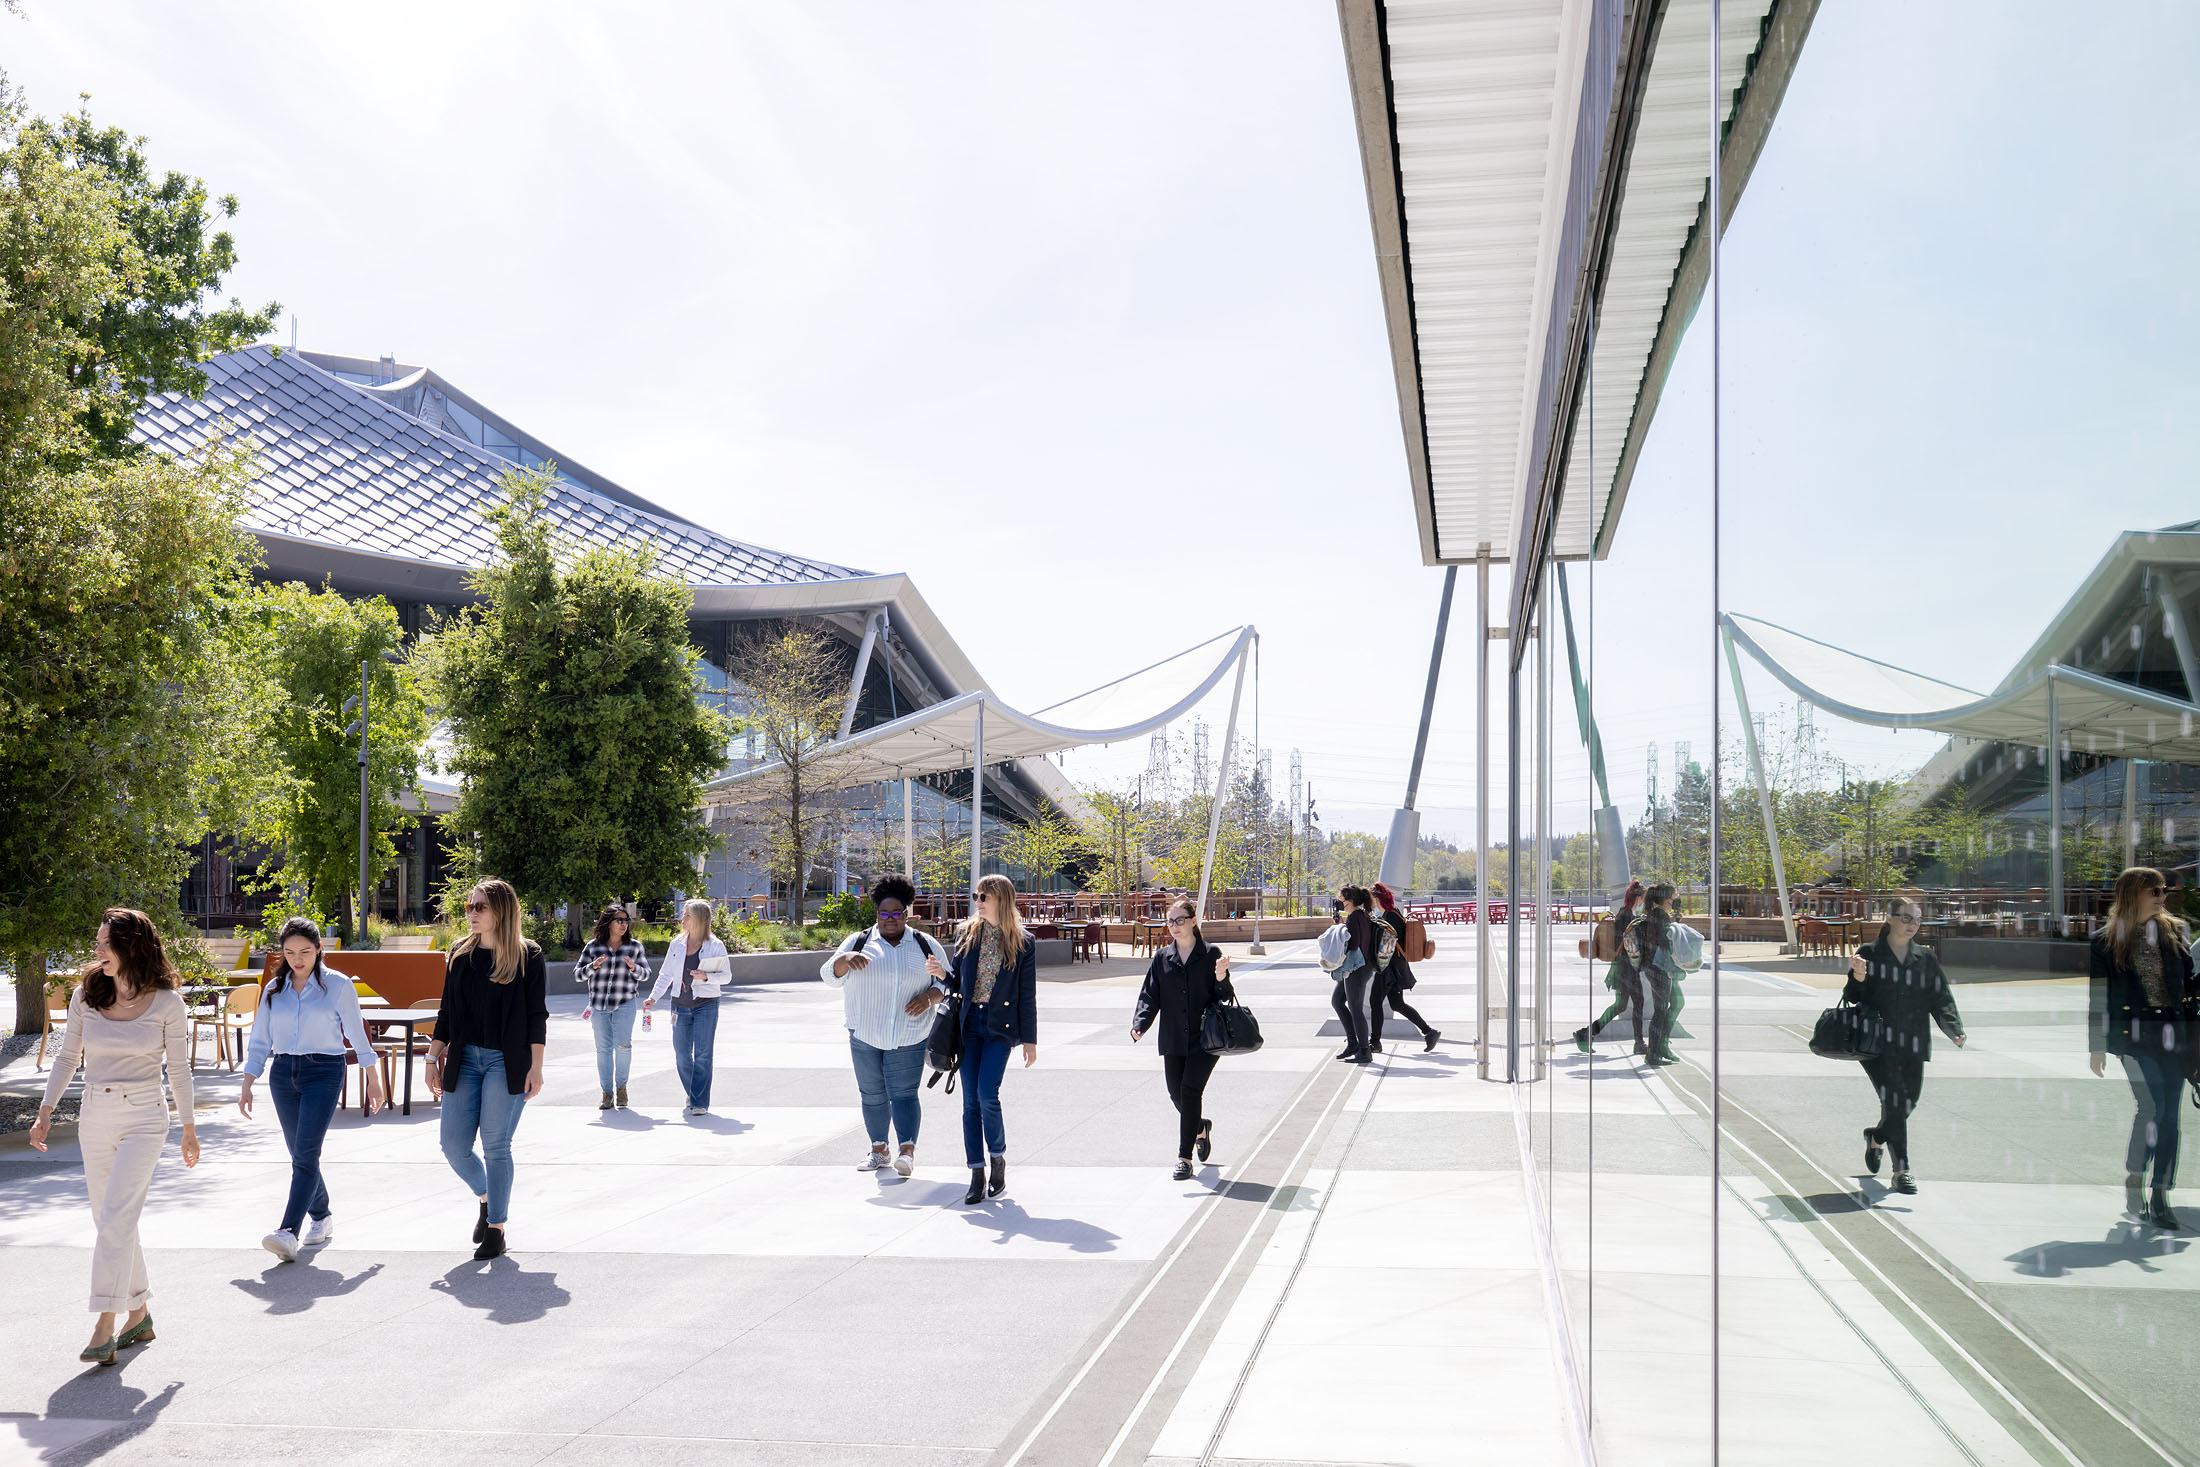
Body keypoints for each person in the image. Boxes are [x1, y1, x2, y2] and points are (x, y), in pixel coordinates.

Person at [27, 908, 201, 1365]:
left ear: (132, 947)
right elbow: (67, 1057)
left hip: (145, 1116)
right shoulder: (88, 993)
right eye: (98, 941)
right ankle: (139, 1311)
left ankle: (105, 1322)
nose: (97, 949)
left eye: (106, 942)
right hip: (94, 1114)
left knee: (118, 1219)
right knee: (111, 1222)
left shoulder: (168, 1003)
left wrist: (188, 1127)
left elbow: (179, 1070)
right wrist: (45, 1111)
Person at [238, 916, 384, 1262]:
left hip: (324, 1071)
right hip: (283, 1073)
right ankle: (321, 1215)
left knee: (305, 1154)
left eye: (305, 951)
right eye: (289, 953)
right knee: (301, 1155)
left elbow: (357, 1033)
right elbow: (260, 1039)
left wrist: (373, 1078)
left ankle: (288, 1231)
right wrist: (247, 1083)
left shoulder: (338, 986)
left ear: (319, 949)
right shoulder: (274, 990)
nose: (297, 959)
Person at [426, 879, 548, 1260]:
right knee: (453, 1146)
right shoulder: (460, 954)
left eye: (480, 907)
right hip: (464, 1060)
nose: (472, 913)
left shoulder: (528, 955)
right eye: (469, 907)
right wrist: (432, 1057)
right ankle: (486, 1196)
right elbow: (447, 1011)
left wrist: (537, 1068)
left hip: (506, 1062)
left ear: (501, 910)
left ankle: (496, 1227)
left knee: (496, 1145)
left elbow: (535, 1017)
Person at [821, 874, 950, 1177]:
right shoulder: (859, 942)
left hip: (910, 1034)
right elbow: (829, 975)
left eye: (896, 913)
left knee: (904, 1094)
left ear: (907, 913)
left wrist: (930, 996)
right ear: (876, 913)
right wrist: (844, 960)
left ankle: (907, 1152)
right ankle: (879, 1149)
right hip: (865, 1034)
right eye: (884, 913)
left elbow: (949, 980)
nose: (890, 919)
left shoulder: (923, 944)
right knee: (872, 1094)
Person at [2089, 867, 2194, 1230]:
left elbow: (2190, 983)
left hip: (2174, 1034)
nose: (2161, 896)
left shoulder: (2176, 931)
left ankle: (2161, 1194)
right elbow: (2099, 996)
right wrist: (2097, 1045)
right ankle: (2136, 1175)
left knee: (2170, 1118)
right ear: (2132, 893)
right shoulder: (2106, 940)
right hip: (2133, 1037)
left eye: (2163, 889)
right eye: (2154, 890)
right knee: (2153, 1108)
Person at [1848, 897, 1965, 1197]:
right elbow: (1852, 995)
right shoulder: (1870, 953)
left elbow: (1940, 997)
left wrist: (1953, 1029)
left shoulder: (1925, 957)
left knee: (1908, 1101)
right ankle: (1902, 1170)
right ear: (1889, 918)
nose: (1913, 924)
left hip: (1914, 1041)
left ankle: (1876, 1138)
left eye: (1917, 919)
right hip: (1878, 1042)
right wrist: (1858, 976)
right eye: (1906, 918)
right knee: (1896, 1103)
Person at [934, 872, 1037, 1205]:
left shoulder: (1023, 941)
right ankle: (976, 1173)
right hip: (969, 1026)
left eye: (984, 897)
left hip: (1000, 1028)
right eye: (976, 896)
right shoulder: (967, 933)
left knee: (986, 1094)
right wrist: (941, 974)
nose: (977, 902)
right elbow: (956, 983)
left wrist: (1030, 1040)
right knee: (969, 1103)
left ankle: (997, 1158)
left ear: (1001, 900)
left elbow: (1027, 995)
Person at [1132, 897, 1235, 1179]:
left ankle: (1184, 1157)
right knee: (1176, 1094)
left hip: (1205, 1039)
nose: (1174, 926)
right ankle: (1200, 1127)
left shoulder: (1210, 953)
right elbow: (1149, 995)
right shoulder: (1162, 958)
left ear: (1192, 921)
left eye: (1180, 920)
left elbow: (1224, 995)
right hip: (1174, 1037)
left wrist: (1221, 975)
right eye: (1170, 921)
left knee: (1190, 1091)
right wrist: (1140, 1024)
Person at [645, 898, 730, 1116]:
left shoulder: (715, 945)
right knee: (682, 1055)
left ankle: (699, 1101)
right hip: (679, 1006)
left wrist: (706, 976)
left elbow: (727, 976)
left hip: (706, 1005)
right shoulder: (676, 944)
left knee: (702, 1054)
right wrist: (653, 998)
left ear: (699, 919)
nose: (682, 918)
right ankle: (694, 1092)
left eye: (687, 915)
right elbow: (665, 975)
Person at [575, 903, 649, 1110]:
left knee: (623, 1047)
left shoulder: (634, 947)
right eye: (619, 920)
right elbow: (578, 975)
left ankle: (622, 1089)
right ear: (608, 922)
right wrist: (593, 966)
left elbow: (646, 974)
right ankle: (606, 1093)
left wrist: (634, 968)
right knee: (603, 1050)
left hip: (624, 1004)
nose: (624, 924)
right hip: (598, 1007)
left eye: (626, 921)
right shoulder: (593, 947)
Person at [1574, 880, 1646, 1054]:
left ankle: (1586, 1033)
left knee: (1621, 1005)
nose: (1644, 902)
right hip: (1627, 968)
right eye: (1643, 898)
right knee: (1637, 1002)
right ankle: (1639, 1043)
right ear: (1638, 898)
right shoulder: (1629, 917)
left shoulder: (1624, 913)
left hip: (1621, 968)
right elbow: (1630, 945)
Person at [1368, 882, 1440, 1053]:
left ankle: (1375, 1042)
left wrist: (1374, 961)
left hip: (1389, 968)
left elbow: (1388, 945)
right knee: (1397, 1004)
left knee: (1375, 1002)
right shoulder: (1391, 914)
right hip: (1395, 967)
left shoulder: (1390, 916)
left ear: (1376, 898)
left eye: (1371, 898)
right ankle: (1429, 1032)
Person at [1623, 884, 1682, 1066]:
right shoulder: (1660, 916)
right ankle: (1653, 1053)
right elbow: (1664, 941)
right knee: (1660, 1010)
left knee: (1671, 1005)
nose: (1674, 901)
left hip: (1653, 967)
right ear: (1665, 899)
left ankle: (1658, 1048)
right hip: (1659, 968)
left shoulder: (1653, 914)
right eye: (1673, 898)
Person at [1331, 886, 1379, 1064]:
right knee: (1337, 1001)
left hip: (1357, 969)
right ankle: (1353, 1043)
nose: (1340, 904)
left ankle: (1364, 1051)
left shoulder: (1355, 918)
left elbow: (1353, 945)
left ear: (1349, 902)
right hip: (1358, 968)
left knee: (1356, 1009)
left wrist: (1339, 933)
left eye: (1341, 900)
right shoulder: (1361, 915)